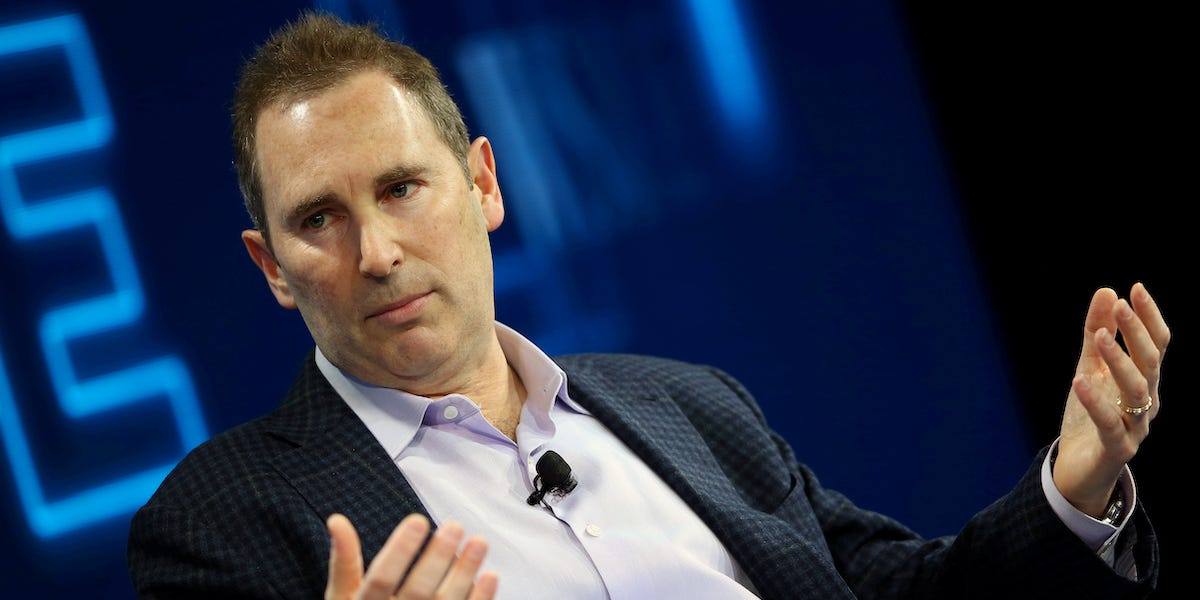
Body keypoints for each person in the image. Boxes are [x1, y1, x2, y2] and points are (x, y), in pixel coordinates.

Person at [126, 11, 1168, 600]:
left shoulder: (690, 405)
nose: (378, 252)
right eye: (319, 219)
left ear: (483, 184)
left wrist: (1073, 490)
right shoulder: (216, 524)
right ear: (272, 266)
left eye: (401, 188)